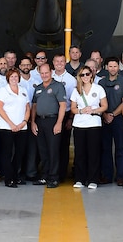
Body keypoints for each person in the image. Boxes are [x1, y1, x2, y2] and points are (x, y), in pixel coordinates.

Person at [30, 62, 67, 188]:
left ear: (51, 72)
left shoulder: (58, 86)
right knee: (43, 150)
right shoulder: (38, 87)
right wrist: (33, 122)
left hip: (53, 120)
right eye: (42, 73)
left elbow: (63, 105)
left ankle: (54, 177)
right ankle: (45, 176)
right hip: (40, 121)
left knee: (53, 150)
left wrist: (59, 123)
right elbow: (34, 106)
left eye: (47, 72)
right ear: (39, 74)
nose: (44, 75)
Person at [70, 66, 107, 189]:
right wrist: (81, 111)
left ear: (91, 75)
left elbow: (105, 106)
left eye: (87, 74)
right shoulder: (76, 90)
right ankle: (80, 179)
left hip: (94, 124)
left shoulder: (99, 88)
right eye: (82, 75)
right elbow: (73, 108)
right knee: (80, 153)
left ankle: (93, 179)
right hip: (79, 124)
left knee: (93, 153)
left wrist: (94, 110)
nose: (85, 77)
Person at [0, 68, 30, 188]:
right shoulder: (3, 91)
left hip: (22, 127)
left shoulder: (23, 90)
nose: (14, 79)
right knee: (7, 153)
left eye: (16, 76)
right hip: (7, 127)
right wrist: (11, 124)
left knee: (19, 153)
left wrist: (23, 122)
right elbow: (0, 108)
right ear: (8, 78)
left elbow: (27, 108)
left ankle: (15, 176)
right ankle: (9, 178)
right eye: (12, 77)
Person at [98, 56, 123, 185]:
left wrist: (112, 114)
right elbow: (98, 102)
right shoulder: (101, 83)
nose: (112, 68)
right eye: (110, 66)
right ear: (106, 67)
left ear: (119, 67)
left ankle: (120, 176)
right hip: (103, 118)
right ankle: (107, 175)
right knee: (105, 148)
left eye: (115, 66)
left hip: (118, 119)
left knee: (120, 148)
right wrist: (105, 114)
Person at [51, 53, 76, 181]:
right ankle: (51, 172)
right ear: (53, 62)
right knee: (51, 145)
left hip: (66, 115)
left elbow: (73, 101)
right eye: (57, 61)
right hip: (51, 115)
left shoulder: (71, 80)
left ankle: (61, 173)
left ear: (65, 63)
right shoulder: (48, 76)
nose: (59, 64)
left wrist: (70, 118)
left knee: (63, 145)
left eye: (61, 61)